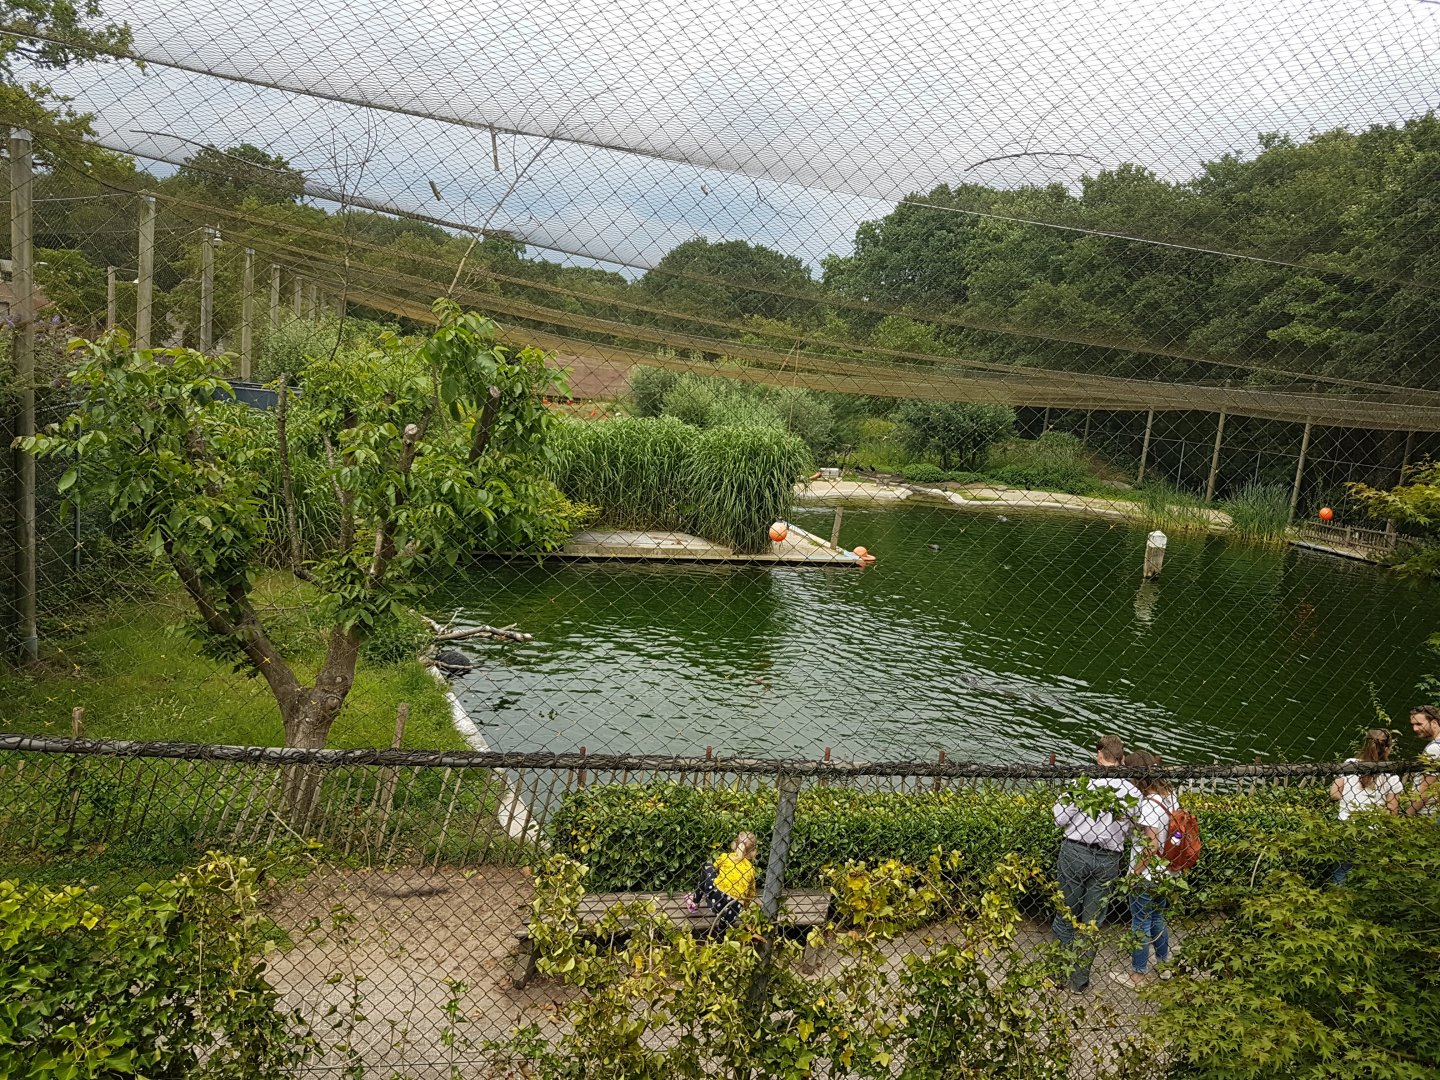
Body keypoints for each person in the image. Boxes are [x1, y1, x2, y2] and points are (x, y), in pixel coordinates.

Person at [1051, 734, 1139, 993]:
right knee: (1092, 922)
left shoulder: (1084, 784)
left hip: (1075, 852)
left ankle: (1057, 974)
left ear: (1099, 756)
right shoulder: (1131, 791)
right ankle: (1080, 981)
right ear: (1122, 759)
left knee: (1066, 914)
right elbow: (1134, 829)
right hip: (1108, 859)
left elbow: (1059, 817)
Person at [1111, 750, 1175, 988]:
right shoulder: (1169, 795)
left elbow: (1151, 845)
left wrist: (1135, 874)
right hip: (1166, 872)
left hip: (1147, 874)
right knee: (1157, 917)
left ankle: (1138, 974)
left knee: (1140, 922)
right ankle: (1164, 966)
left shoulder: (1148, 805)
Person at [1330, 728, 1403, 884]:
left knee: (1341, 869)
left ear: (1365, 743)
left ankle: (1336, 894)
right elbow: (1392, 811)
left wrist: (1351, 800)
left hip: (1346, 823)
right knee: (1366, 872)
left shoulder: (1349, 765)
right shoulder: (1391, 776)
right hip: (1373, 829)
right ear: (1388, 747)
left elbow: (1334, 793)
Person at [686, 831, 758, 929]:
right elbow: (751, 894)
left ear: (734, 845)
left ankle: (695, 901)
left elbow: (713, 870)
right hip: (734, 908)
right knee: (725, 927)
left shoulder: (725, 857)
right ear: (753, 852)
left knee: (707, 866)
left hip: (716, 898)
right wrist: (745, 906)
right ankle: (723, 928)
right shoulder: (751, 869)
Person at [1405, 705, 1440, 816]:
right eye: (1413, 725)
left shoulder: (1434, 749)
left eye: (1419, 724)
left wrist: (1407, 815)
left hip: (1426, 813)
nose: (1415, 729)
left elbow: (1426, 789)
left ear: (1434, 723)